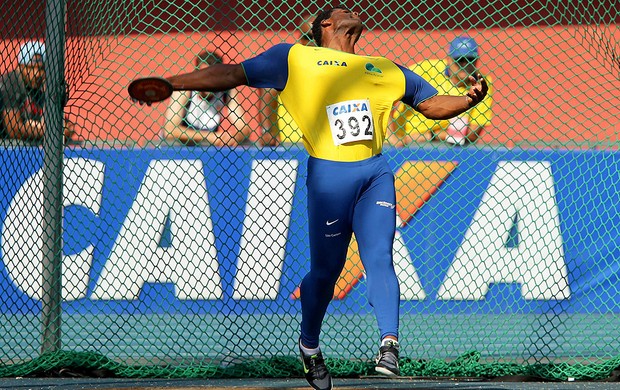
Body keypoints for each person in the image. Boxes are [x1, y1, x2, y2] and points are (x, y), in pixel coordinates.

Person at [131, 6, 488, 389]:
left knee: (380, 257)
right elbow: (233, 73)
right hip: (329, 176)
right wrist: (172, 83)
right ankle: (310, 345)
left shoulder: (383, 68)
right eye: (340, 9)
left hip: (375, 173)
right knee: (326, 273)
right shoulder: (293, 57)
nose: (351, 9)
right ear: (325, 25)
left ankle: (389, 345)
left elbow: (432, 104)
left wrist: (468, 101)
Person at [388, 35, 494, 146]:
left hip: (444, 145)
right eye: (459, 59)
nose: (465, 64)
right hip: (403, 142)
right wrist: (393, 138)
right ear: (448, 59)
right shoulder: (426, 70)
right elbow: (388, 90)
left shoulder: (482, 84)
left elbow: (472, 135)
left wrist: (432, 135)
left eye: (470, 59)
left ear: (477, 60)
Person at [162, 50, 252, 146]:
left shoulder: (226, 91)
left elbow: (244, 128)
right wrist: (209, 136)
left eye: (213, 77)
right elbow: (169, 130)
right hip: (181, 149)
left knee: (246, 143)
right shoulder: (185, 89)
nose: (208, 82)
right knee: (172, 143)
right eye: (204, 76)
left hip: (208, 148)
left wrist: (235, 136)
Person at [0, 41, 76, 145]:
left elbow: (69, 126)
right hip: (8, 151)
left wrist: (63, 129)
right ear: (20, 66)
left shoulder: (38, 89)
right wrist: (53, 132)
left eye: (41, 69)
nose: (36, 74)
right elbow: (13, 130)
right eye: (31, 68)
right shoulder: (11, 82)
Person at [258, 13, 315, 146]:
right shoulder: (290, 64)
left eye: (317, 37)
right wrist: (267, 131)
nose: (312, 42)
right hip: (291, 143)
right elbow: (267, 90)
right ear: (300, 39)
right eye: (308, 37)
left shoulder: (332, 63)